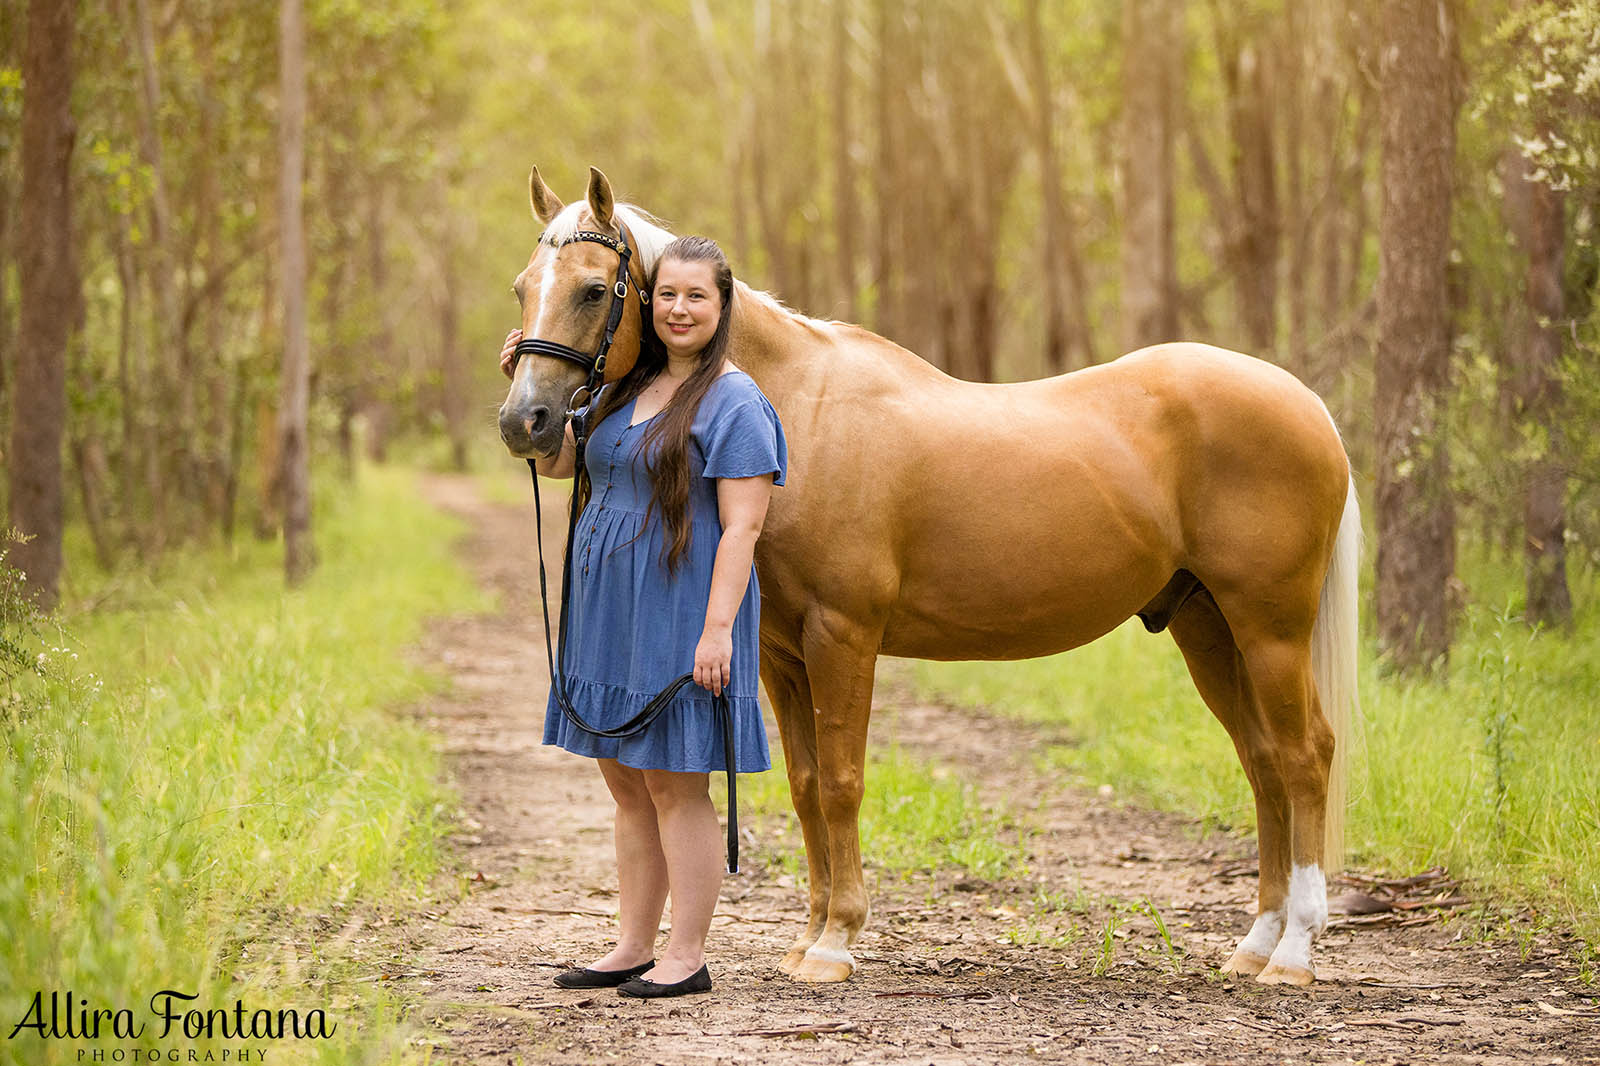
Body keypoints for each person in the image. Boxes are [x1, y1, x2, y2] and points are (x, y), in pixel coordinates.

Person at [499, 235, 786, 999]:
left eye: (697, 296)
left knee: (672, 786)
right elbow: (561, 463)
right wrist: (526, 391)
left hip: (680, 610)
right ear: (646, 302)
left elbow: (744, 529)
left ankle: (686, 955)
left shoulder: (736, 402)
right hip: (608, 613)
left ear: (723, 307)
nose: (679, 308)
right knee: (625, 783)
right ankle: (632, 943)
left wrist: (718, 630)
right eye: (667, 294)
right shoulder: (622, 389)